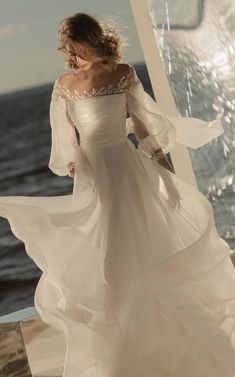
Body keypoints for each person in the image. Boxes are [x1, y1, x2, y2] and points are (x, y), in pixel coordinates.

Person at [1, 11, 235, 377]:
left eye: (74, 47)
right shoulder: (65, 84)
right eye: (68, 49)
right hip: (99, 178)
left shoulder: (122, 73)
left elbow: (143, 127)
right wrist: (82, 174)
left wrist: (165, 173)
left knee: (138, 252)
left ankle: (150, 345)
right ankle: (127, 345)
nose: (71, 55)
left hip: (125, 174)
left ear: (88, 41)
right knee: (109, 259)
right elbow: (67, 145)